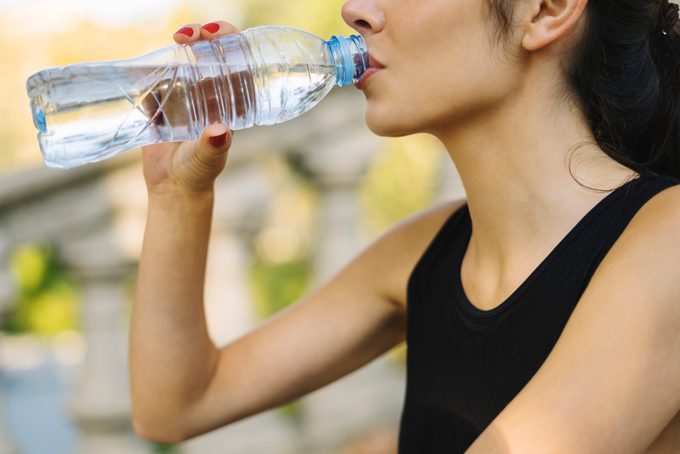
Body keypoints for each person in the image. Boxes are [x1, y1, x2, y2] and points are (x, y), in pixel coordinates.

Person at [129, 0, 680, 451]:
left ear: (545, 10)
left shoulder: (669, 241)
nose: (354, 11)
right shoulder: (424, 252)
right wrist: (177, 192)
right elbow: (176, 404)